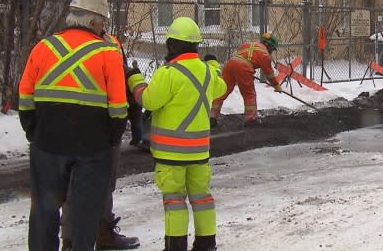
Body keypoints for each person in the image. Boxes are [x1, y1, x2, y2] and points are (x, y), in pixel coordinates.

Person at [18, 0, 128, 251]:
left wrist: (34, 131)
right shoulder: (107, 53)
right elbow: (118, 108)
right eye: (103, 23)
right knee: (84, 213)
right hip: (92, 146)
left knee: (44, 208)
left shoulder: (43, 47)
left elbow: (25, 97)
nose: (104, 28)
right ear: (94, 22)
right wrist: (111, 139)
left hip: (47, 142)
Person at [126, 16, 227, 251]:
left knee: (174, 201)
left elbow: (148, 101)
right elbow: (220, 87)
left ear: (171, 45)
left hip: (171, 156)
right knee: (202, 198)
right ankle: (206, 244)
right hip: (200, 153)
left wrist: (135, 79)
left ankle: (176, 245)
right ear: (195, 46)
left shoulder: (168, 73)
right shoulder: (207, 72)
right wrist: (213, 65)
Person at [60, 31, 141, 251]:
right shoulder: (98, 44)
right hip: (92, 125)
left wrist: (134, 117)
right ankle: (73, 239)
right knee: (79, 184)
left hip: (94, 124)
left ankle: (97, 234)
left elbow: (122, 81)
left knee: (100, 183)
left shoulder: (108, 42)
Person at [210, 32, 283, 126]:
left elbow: (243, 56)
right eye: (272, 49)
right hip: (243, 68)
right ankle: (251, 120)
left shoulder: (248, 44)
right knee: (249, 94)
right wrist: (276, 85)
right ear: (269, 46)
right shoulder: (265, 55)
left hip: (230, 64)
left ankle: (212, 117)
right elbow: (269, 74)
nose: (271, 52)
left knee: (222, 90)